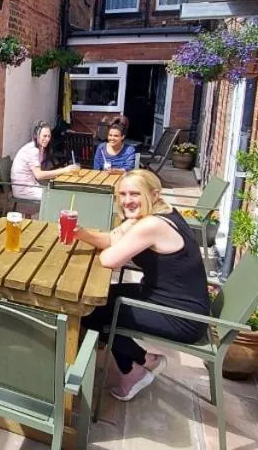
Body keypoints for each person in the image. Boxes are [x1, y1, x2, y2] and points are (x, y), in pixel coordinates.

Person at [75, 169, 210, 401]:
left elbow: (109, 259)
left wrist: (126, 232)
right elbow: (111, 239)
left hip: (182, 316)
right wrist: (81, 234)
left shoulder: (151, 225)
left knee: (90, 310)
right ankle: (142, 359)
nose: (127, 200)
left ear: (154, 194)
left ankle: (134, 369)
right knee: (97, 300)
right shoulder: (157, 213)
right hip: (161, 297)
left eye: (135, 193)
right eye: (123, 194)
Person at [10, 120, 81, 202]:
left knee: (58, 193)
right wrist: (64, 170)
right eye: (44, 136)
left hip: (31, 186)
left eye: (49, 136)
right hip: (23, 189)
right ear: (37, 136)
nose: (47, 139)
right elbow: (39, 175)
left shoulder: (38, 148)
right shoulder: (32, 150)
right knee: (57, 197)